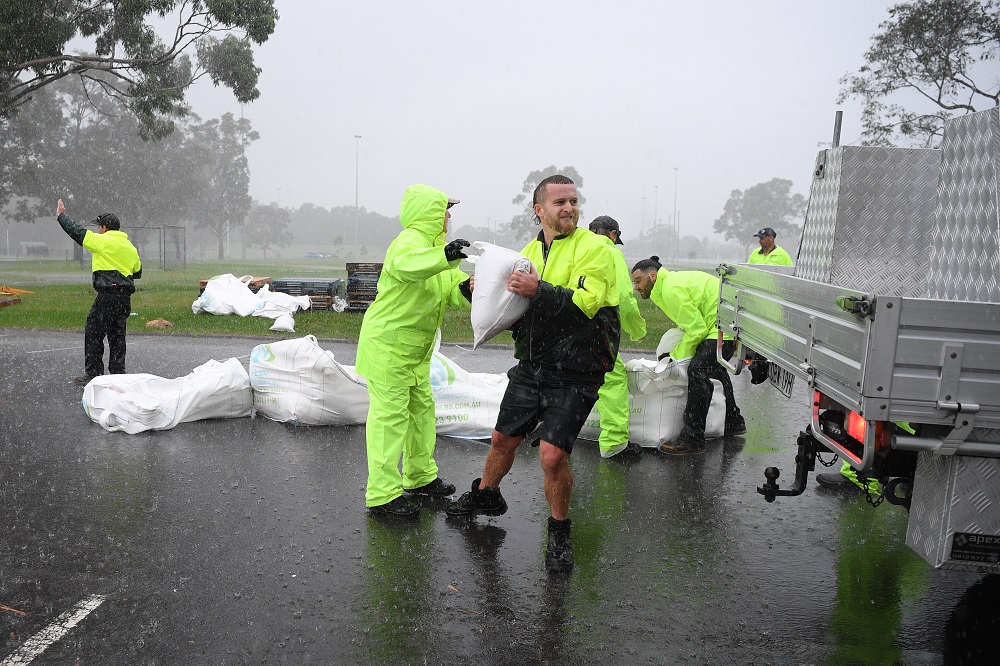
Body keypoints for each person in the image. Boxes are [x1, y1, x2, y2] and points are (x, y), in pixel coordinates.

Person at [447, 174, 620, 572]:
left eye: (574, 201)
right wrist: (478, 290)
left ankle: (559, 531)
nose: (570, 209)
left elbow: (585, 306)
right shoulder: (526, 252)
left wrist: (536, 289)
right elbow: (512, 306)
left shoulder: (597, 248)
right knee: (501, 439)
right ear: (539, 210)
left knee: (551, 455)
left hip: (578, 369)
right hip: (533, 363)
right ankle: (487, 494)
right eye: (560, 202)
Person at [355, 184, 473, 520]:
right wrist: (445, 256)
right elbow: (406, 266)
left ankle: (420, 478)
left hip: (414, 352)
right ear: (430, 211)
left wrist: (465, 286)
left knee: (421, 414)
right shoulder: (409, 243)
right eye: (444, 209)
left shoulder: (433, 248)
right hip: (389, 348)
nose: (449, 216)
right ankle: (382, 496)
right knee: (389, 421)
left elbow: (444, 286)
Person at [631, 256, 745, 455]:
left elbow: (697, 329)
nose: (635, 287)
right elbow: (692, 324)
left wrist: (673, 359)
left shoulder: (669, 290)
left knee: (698, 370)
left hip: (721, 328)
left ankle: (693, 439)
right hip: (724, 324)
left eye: (638, 281)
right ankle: (734, 421)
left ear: (653, 275)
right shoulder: (666, 286)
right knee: (712, 366)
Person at [55, 199, 142, 385]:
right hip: (124, 298)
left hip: (108, 295)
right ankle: (118, 372)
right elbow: (138, 272)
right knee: (117, 334)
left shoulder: (101, 241)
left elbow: (76, 232)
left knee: (94, 331)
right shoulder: (131, 247)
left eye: (99, 227)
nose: (97, 230)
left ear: (104, 228)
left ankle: (94, 374)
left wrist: (61, 216)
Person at [588, 215, 646, 459]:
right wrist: (637, 329)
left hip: (566, 325)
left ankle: (553, 434)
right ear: (613, 234)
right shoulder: (610, 253)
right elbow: (624, 296)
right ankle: (614, 445)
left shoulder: (576, 247)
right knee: (612, 380)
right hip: (597, 328)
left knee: (569, 378)